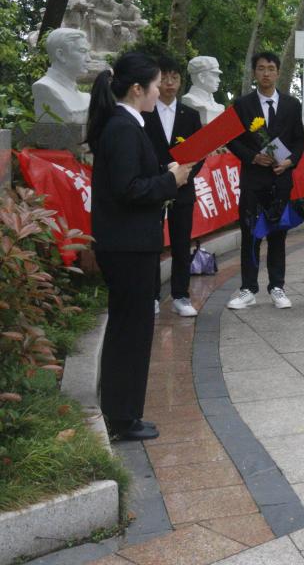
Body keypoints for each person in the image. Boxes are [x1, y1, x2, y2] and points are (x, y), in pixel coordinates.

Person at [87, 54, 193, 440]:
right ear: (137, 89)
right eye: (155, 85)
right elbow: (128, 189)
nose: (159, 91)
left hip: (130, 244)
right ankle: (121, 417)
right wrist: (171, 181)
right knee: (130, 331)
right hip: (128, 246)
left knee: (131, 329)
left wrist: (165, 173)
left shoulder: (126, 125)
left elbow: (130, 179)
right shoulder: (123, 128)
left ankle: (125, 413)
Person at [225, 53, 304, 310]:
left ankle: (277, 287)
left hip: (280, 180)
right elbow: (231, 139)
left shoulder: (291, 105)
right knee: (250, 235)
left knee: (278, 236)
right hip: (253, 180)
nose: (266, 73)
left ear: (278, 72)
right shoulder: (242, 104)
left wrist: (289, 161)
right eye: (261, 69)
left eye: (271, 68)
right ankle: (248, 289)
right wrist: (252, 157)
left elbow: (298, 140)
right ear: (254, 73)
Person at [142, 56, 203, 317]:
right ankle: (151, 295)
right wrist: (161, 175)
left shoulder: (191, 115)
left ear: (180, 81)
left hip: (183, 188)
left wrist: (186, 174)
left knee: (181, 243)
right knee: (152, 244)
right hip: (153, 187)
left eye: (174, 78)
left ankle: (181, 295)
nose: (169, 83)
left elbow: (200, 153)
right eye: (164, 78)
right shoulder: (145, 112)